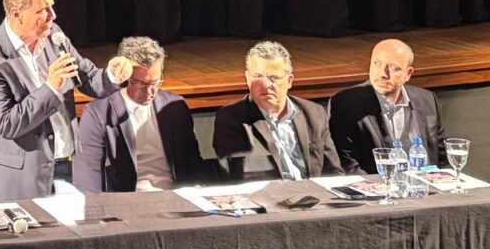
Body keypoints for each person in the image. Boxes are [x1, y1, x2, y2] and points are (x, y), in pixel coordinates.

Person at [0, 0, 134, 201]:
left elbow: (87, 79)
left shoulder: (53, 35)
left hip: (68, 168)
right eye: (42, 11)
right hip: (23, 179)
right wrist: (51, 88)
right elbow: (7, 124)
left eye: (51, 7)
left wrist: (113, 75)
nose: (52, 16)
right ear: (17, 14)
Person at [74, 36, 209, 192]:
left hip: (175, 197)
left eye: (155, 82)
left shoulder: (174, 107)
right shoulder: (98, 115)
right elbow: (88, 180)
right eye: (140, 84)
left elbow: (193, 165)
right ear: (123, 77)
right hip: (128, 204)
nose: (149, 91)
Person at [212, 41, 342, 180]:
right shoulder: (232, 119)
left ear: (290, 80)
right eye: (258, 77)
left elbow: (334, 171)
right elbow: (237, 178)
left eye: (274, 78)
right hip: (267, 197)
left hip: (315, 196)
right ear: (247, 79)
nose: (266, 85)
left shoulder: (314, 113)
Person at [328, 38, 447, 174]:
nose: (383, 74)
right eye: (377, 64)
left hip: (422, 187)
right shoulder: (346, 103)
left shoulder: (427, 99)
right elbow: (348, 165)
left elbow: (442, 156)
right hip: (376, 188)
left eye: (393, 68)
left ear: (408, 74)